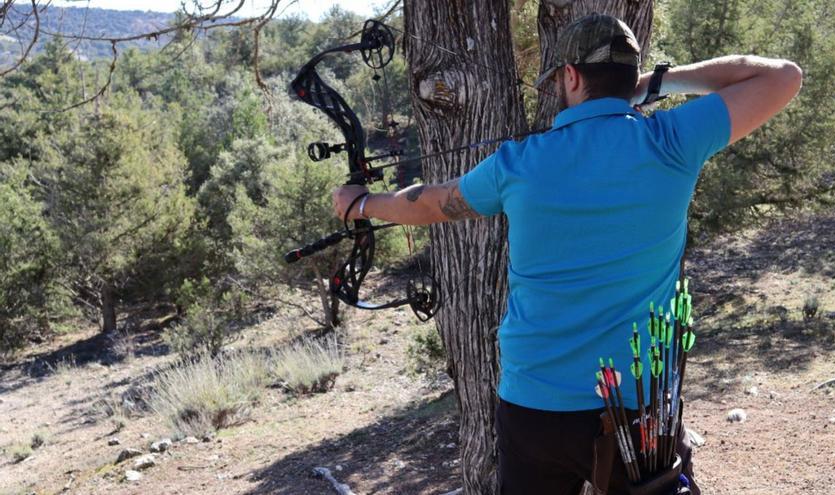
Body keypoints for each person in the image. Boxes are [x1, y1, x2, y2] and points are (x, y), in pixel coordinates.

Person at [331, 13, 801, 495]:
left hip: (534, 408)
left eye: (558, 78)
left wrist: (361, 203)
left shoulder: (518, 163)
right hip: (638, 409)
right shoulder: (672, 141)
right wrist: (657, 82)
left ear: (571, 76)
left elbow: (430, 201)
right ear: (629, 76)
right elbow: (783, 76)